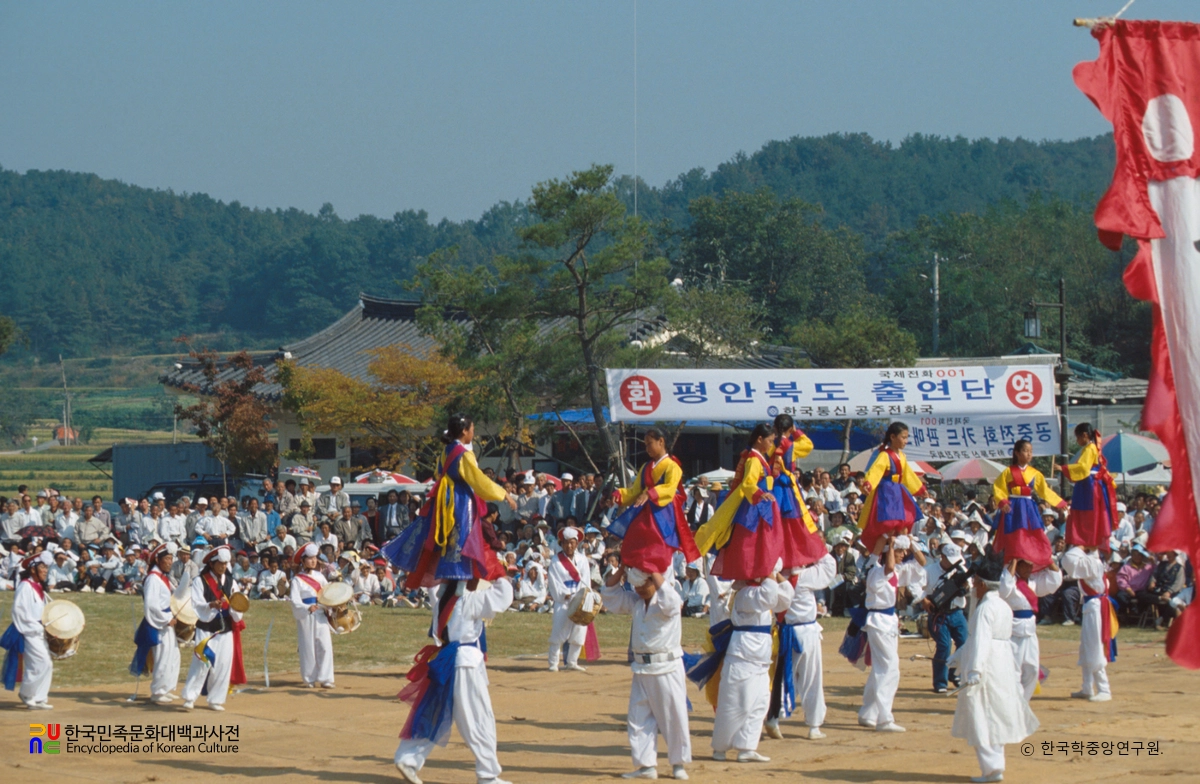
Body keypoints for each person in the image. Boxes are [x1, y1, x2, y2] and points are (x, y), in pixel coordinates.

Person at [393, 576, 515, 784]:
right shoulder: (468, 600)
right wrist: (497, 574)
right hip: (465, 663)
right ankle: (488, 775)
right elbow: (504, 597)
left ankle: (408, 758)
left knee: (435, 711)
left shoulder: (444, 599)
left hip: (447, 660)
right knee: (478, 719)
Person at [384, 413, 516, 589]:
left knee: (442, 539)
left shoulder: (446, 451)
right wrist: (503, 493)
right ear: (464, 431)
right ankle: (459, 579)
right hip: (460, 502)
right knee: (463, 539)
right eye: (472, 430)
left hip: (445, 499)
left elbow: (439, 473)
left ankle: (448, 584)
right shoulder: (464, 454)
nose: (473, 434)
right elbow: (478, 480)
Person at [950, 555, 1040, 783]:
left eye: (975, 582)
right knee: (995, 715)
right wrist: (958, 657)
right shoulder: (1002, 605)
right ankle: (995, 765)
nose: (973, 587)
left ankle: (991, 769)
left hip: (987, 664)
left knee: (980, 715)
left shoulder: (985, 609)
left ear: (982, 584)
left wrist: (973, 671)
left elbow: (980, 640)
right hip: (1001, 663)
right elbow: (976, 639)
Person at [603, 565, 691, 781]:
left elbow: (671, 600)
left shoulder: (667, 602)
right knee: (638, 718)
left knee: (673, 717)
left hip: (666, 668)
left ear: (654, 581)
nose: (640, 589)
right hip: (641, 668)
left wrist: (652, 569)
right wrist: (624, 567)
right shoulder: (636, 603)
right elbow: (609, 594)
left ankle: (678, 764)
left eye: (645, 584)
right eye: (637, 585)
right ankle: (646, 765)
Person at [708, 570, 791, 762]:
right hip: (742, 655)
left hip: (760, 655)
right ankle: (720, 747)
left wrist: (776, 573)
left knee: (760, 702)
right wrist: (768, 570)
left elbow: (786, 598)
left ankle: (747, 747)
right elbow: (770, 596)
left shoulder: (761, 592)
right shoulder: (746, 593)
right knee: (736, 703)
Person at [694, 424, 785, 582]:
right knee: (751, 541)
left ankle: (756, 572)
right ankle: (753, 572)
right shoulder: (754, 459)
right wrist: (760, 495)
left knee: (758, 542)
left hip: (759, 504)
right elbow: (748, 482)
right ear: (759, 439)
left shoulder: (756, 457)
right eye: (770, 441)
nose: (771, 444)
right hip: (754, 506)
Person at [765, 550, 837, 741]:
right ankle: (814, 725)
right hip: (806, 633)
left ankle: (774, 717)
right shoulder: (805, 577)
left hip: (785, 632)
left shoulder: (774, 580)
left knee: (782, 676)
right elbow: (830, 566)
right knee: (811, 678)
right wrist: (813, 544)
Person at [609, 429, 700, 574]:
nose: (647, 448)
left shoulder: (672, 466)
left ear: (661, 441)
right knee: (639, 550)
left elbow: (670, 489)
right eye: (645, 445)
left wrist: (650, 494)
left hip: (663, 515)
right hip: (645, 516)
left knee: (661, 554)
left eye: (649, 444)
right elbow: (635, 492)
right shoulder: (645, 467)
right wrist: (619, 495)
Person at [181, 544, 246, 711]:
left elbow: (237, 601)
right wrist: (210, 605)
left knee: (223, 665)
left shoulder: (230, 581)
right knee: (201, 662)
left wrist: (235, 606)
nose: (223, 567)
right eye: (220, 563)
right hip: (207, 627)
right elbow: (196, 603)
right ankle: (190, 696)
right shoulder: (200, 581)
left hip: (226, 628)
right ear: (212, 563)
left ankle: (215, 699)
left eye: (226, 563)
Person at [992, 439, 1068, 568]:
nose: (1029, 454)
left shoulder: (1035, 473)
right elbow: (998, 488)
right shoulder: (1008, 471)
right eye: (1025, 451)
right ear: (1017, 453)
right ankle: (1013, 561)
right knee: (1014, 535)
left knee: (1033, 532)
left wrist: (1059, 502)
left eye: (1031, 451)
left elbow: (1044, 491)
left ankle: (1039, 559)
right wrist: (1003, 501)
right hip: (1013, 506)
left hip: (1028, 506)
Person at [858, 533, 906, 732]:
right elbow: (890, 567)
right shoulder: (878, 571)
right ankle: (884, 718)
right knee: (890, 668)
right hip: (879, 621)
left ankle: (868, 712)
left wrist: (886, 540)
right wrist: (890, 545)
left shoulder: (874, 567)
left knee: (880, 667)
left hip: (887, 621)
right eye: (898, 552)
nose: (901, 555)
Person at [999, 557, 1062, 701]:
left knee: (1032, 669)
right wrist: (1013, 560)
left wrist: (1046, 558)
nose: (1029, 569)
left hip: (1030, 630)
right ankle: (1012, 701)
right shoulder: (1010, 580)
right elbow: (1004, 590)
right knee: (1013, 669)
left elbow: (1054, 582)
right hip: (1013, 630)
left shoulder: (1033, 582)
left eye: (1030, 566)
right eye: (1025, 566)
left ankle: (1023, 701)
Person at [856, 423, 926, 552]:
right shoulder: (884, 455)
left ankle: (900, 553)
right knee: (888, 527)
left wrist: (920, 489)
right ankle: (875, 557)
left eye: (906, 437)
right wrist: (868, 484)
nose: (906, 441)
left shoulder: (902, 456)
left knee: (904, 525)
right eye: (903, 437)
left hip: (898, 492)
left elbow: (908, 475)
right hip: (887, 493)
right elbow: (875, 471)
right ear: (893, 437)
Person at [770, 414, 828, 570]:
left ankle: (773, 560)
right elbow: (808, 444)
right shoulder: (791, 446)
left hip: (770, 487)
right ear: (790, 428)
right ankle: (792, 560)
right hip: (787, 489)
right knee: (793, 524)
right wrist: (796, 432)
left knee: (772, 524)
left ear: (775, 428)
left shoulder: (769, 444)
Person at [1060, 545, 1116, 701]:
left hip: (1095, 607)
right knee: (1086, 646)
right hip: (1091, 605)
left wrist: (1079, 546)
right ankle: (1087, 686)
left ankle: (1104, 689)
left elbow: (1068, 561)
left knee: (1094, 646)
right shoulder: (1093, 561)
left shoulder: (1092, 562)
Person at [1, 551, 55, 708]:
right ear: (33, 569)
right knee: (41, 661)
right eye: (43, 567)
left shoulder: (39, 587)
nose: (46, 570)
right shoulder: (25, 586)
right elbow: (19, 611)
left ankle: (39, 697)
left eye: (46, 567)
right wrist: (34, 627)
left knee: (46, 663)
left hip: (39, 630)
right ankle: (26, 693)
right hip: (29, 631)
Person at [131, 542, 182, 704]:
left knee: (172, 655)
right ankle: (158, 691)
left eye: (171, 558)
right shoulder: (153, 578)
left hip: (167, 622)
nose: (170, 561)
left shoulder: (162, 577)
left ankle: (166, 687)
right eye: (167, 558)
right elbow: (151, 605)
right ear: (158, 560)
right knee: (162, 656)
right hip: (160, 623)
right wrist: (167, 619)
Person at [1058, 423, 1117, 550]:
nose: (1077, 440)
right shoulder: (1093, 448)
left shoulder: (1090, 448)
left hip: (1089, 484)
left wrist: (1063, 468)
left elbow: (1083, 468)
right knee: (1091, 514)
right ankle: (1088, 542)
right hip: (1091, 483)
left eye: (1078, 437)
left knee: (1087, 514)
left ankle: (1085, 541)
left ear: (1084, 435)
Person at [922, 542, 971, 693]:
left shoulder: (962, 570)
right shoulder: (929, 570)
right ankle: (940, 682)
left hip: (957, 612)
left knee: (965, 644)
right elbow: (918, 589)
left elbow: (970, 588)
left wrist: (966, 587)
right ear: (942, 557)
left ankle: (955, 674)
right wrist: (924, 600)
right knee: (944, 646)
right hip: (939, 614)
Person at [546, 527, 595, 671]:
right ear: (562, 544)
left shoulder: (582, 559)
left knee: (579, 632)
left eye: (572, 543)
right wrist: (563, 594)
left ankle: (572, 661)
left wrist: (583, 596)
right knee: (558, 632)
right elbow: (553, 582)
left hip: (579, 600)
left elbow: (586, 580)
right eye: (566, 543)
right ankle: (553, 663)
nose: (569, 546)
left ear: (577, 543)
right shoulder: (556, 561)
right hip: (563, 601)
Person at [290, 541, 335, 688]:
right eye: (310, 558)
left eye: (315, 557)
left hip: (321, 613)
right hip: (307, 615)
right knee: (307, 646)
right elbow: (295, 601)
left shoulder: (320, 577)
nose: (313, 561)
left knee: (324, 645)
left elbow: (327, 593)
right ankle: (309, 678)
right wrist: (307, 608)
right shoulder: (297, 580)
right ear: (303, 561)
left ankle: (326, 678)